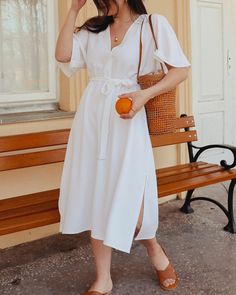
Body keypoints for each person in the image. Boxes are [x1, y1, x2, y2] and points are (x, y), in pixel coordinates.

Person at [55, 0, 191, 294]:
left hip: (127, 118)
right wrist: (73, 10)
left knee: (134, 203)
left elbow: (180, 70)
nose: (103, 4)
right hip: (91, 121)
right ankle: (103, 278)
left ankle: (155, 249)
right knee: (96, 195)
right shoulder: (93, 28)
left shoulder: (152, 25)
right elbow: (63, 55)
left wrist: (145, 95)